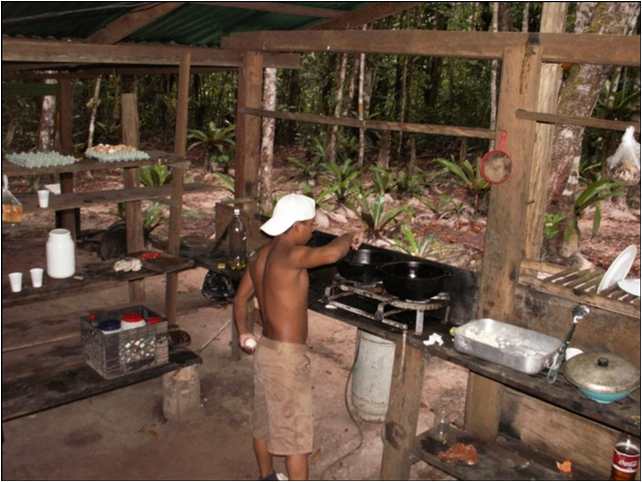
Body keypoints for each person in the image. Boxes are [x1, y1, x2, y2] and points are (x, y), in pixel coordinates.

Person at [233, 193, 363, 481]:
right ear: (294, 227)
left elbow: (241, 299)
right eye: (309, 225)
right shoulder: (291, 255)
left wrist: (244, 332)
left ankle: (266, 477)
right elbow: (331, 254)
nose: (313, 230)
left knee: (264, 423)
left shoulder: (261, 256)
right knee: (296, 440)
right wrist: (348, 235)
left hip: (266, 350)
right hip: (287, 360)